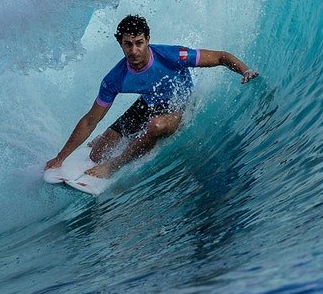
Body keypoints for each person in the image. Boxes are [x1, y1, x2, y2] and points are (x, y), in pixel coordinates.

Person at [45, 15, 258, 178]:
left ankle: (114, 165)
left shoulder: (173, 55)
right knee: (95, 155)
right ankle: (103, 140)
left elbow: (221, 57)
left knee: (156, 126)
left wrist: (245, 70)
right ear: (121, 44)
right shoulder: (115, 78)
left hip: (177, 105)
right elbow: (91, 119)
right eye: (128, 44)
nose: (134, 50)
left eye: (139, 42)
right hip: (147, 104)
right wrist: (60, 158)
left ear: (148, 40)